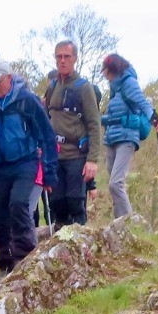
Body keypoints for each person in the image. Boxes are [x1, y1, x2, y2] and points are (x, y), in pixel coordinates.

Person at [0, 57, 59, 274]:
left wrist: (49, 174)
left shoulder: (27, 101)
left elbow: (47, 137)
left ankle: (24, 260)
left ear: (9, 78)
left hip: (25, 162)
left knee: (18, 204)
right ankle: (5, 264)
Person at [39, 40, 105, 227]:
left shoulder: (84, 88)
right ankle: (60, 241)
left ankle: (79, 240)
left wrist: (92, 160)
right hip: (55, 155)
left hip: (76, 154)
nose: (62, 60)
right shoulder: (52, 87)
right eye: (59, 56)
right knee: (56, 203)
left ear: (75, 58)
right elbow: (46, 119)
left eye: (66, 56)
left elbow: (94, 124)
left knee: (75, 202)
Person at [100, 53, 158, 220]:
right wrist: (93, 119)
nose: (103, 74)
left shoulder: (128, 82)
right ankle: (118, 224)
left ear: (112, 69)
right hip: (111, 138)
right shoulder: (114, 88)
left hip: (126, 138)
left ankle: (129, 224)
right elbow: (114, 116)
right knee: (113, 185)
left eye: (105, 70)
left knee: (115, 183)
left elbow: (142, 102)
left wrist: (153, 117)